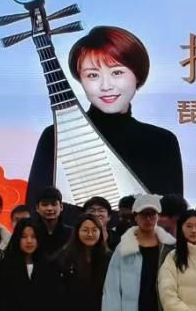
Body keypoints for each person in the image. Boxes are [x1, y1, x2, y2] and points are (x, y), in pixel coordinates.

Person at [28, 25, 184, 198]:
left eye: (117, 72)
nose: (106, 86)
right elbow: (35, 207)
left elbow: (173, 211)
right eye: (92, 75)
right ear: (80, 80)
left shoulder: (161, 142)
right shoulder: (55, 136)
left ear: (137, 75)